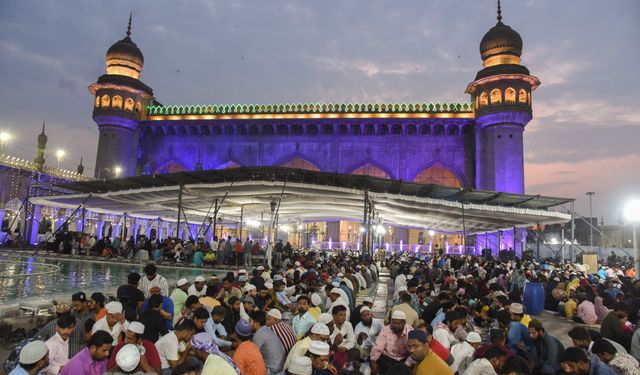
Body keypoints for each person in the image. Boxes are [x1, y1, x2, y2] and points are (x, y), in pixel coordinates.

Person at [370, 310, 412, 374]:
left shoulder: (410, 332)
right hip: (388, 358)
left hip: (403, 360)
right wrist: (373, 361)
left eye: (398, 323)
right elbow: (378, 346)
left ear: (404, 323)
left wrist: (405, 366)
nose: (395, 326)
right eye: (394, 323)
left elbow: (413, 352)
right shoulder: (386, 329)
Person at [251, 311, 286, 375]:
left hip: (272, 371)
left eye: (250, 321)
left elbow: (252, 356)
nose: (249, 323)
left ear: (256, 323)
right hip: (279, 367)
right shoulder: (267, 329)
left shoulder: (258, 334)